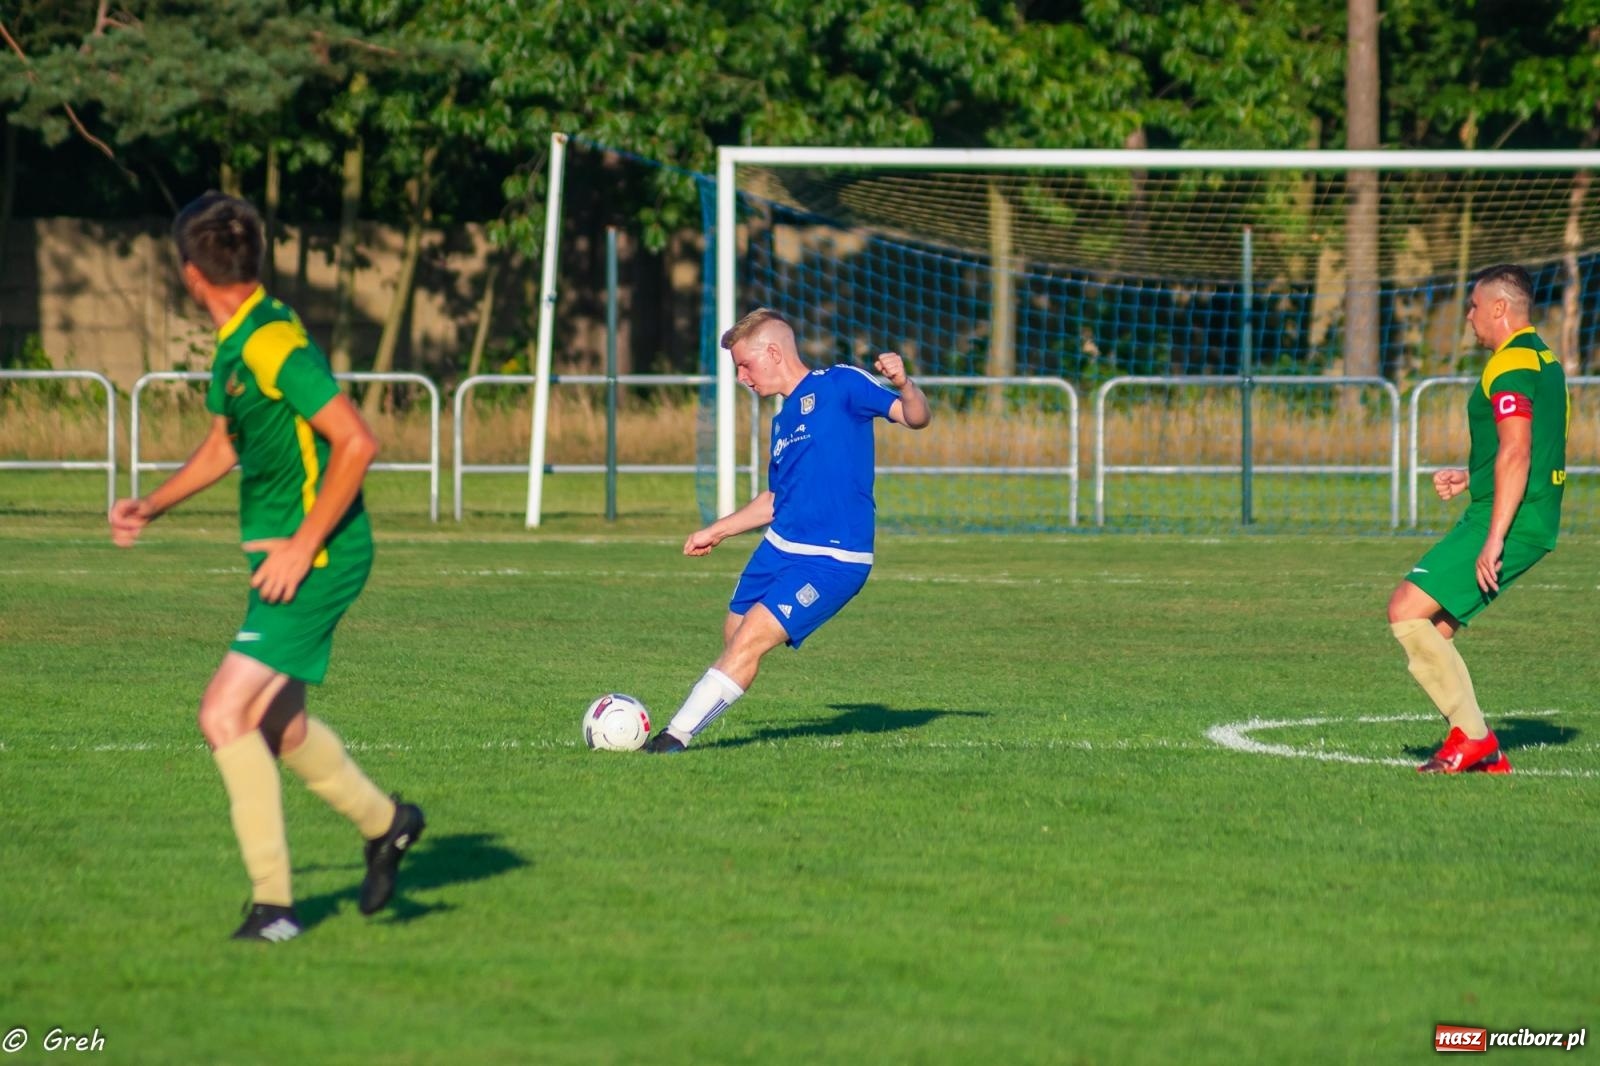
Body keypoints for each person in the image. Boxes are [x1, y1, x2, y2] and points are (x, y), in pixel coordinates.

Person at [109, 193, 423, 940]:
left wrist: (302, 541)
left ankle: (276, 908)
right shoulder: (237, 342)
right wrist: (154, 504)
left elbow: (356, 442)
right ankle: (388, 825)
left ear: (190, 274)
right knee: (278, 724)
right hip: (294, 559)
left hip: (320, 557)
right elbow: (225, 446)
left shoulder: (272, 343)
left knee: (222, 712)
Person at [644, 307, 931, 754]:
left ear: (773, 352)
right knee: (734, 635)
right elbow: (775, 500)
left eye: (744, 364)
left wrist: (904, 384)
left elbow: (915, 417)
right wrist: (716, 531)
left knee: (751, 641)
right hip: (779, 548)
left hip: (834, 560)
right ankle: (696, 716)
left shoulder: (840, 384)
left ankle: (671, 738)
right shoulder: (782, 421)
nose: (741, 377)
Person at [1387, 264, 1567, 774]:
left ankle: (1477, 739)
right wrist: (1472, 477)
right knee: (1435, 628)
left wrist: (1494, 537)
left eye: (1472, 305)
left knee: (1405, 609)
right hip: (1524, 512)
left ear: (1499, 308)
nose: (1467, 316)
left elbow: (1517, 451)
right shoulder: (1542, 358)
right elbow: (1530, 444)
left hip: (1508, 519)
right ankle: (1469, 743)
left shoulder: (1509, 364)